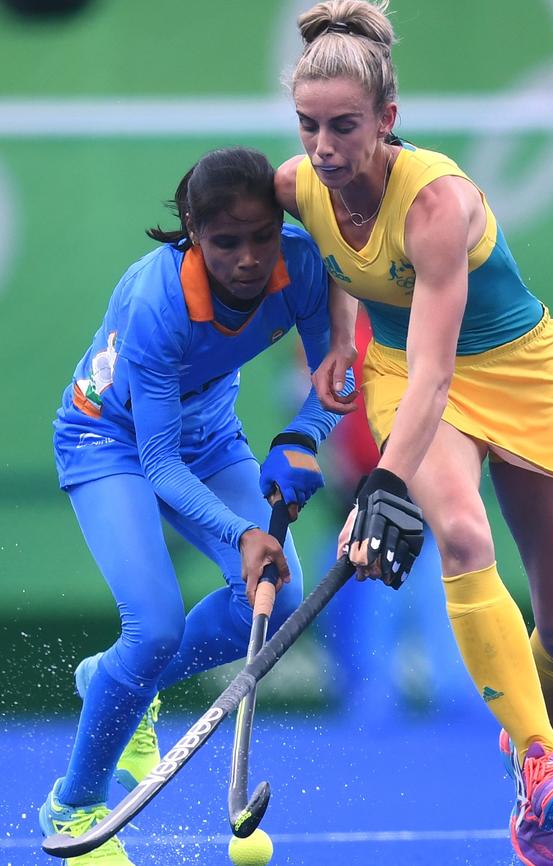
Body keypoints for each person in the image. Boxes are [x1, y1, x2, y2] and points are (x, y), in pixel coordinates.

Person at [275, 2, 553, 864]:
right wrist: (340, 337)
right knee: (459, 531)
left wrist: (381, 482)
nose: (323, 148)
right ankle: (538, 761)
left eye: (344, 126)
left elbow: (440, 368)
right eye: (308, 126)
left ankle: (534, 743)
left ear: (387, 118)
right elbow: (321, 257)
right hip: (403, 375)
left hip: (512, 371)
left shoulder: (438, 205)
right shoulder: (296, 184)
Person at [38, 146, 354, 866]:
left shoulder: (301, 264)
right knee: (150, 630)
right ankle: (76, 804)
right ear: (190, 231)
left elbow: (335, 374)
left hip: (209, 434)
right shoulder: (156, 303)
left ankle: (122, 685)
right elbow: (157, 464)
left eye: (261, 236)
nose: (248, 258)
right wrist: (243, 531)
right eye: (225, 242)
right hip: (108, 440)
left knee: (279, 599)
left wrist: (304, 437)